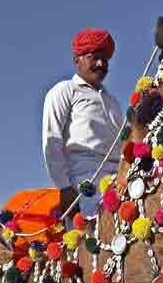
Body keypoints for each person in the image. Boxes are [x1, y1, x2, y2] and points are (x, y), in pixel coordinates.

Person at [42, 29, 123, 218]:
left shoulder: (113, 102)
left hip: (120, 180)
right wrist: (64, 187)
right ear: (77, 60)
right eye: (93, 57)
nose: (101, 63)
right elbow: (51, 140)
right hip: (85, 183)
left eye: (105, 59)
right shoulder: (64, 90)